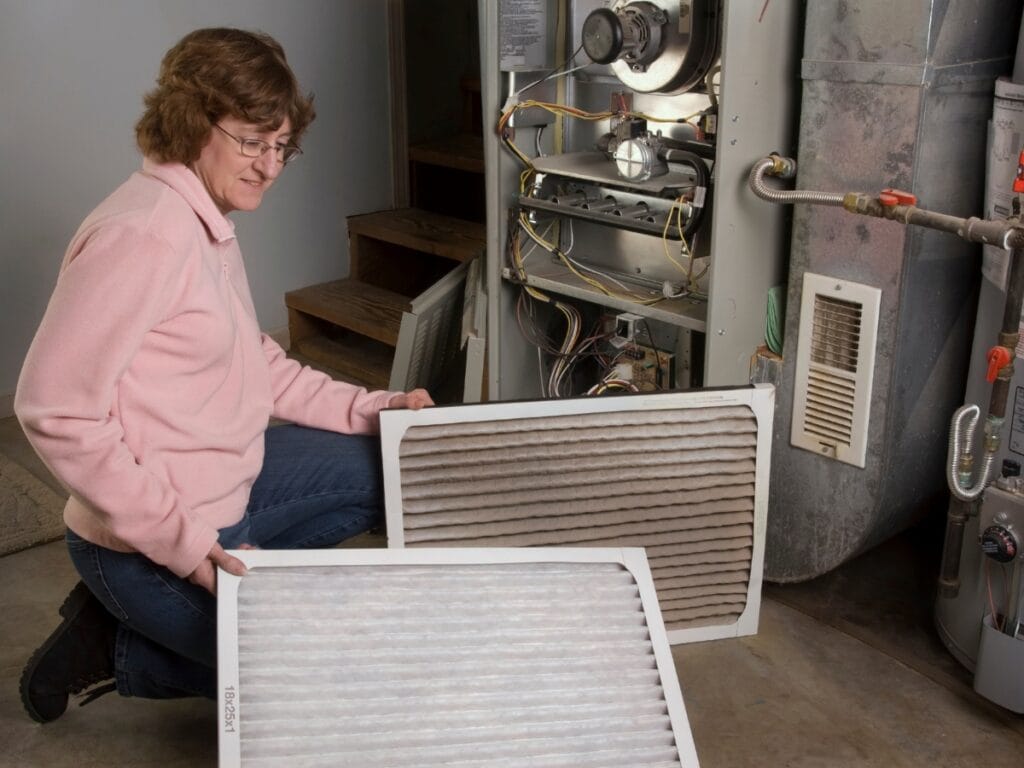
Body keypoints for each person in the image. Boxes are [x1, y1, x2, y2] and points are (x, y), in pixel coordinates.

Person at [15, 27, 433, 723]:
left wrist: (379, 408)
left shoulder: (202, 219)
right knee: (325, 695)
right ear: (192, 122)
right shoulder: (142, 234)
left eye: (281, 147)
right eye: (251, 141)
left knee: (386, 464)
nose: (269, 166)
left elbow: (261, 366)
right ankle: (119, 648)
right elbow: (54, 410)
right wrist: (186, 548)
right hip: (155, 543)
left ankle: (229, 604)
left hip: (230, 490)